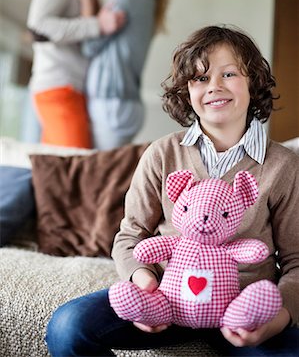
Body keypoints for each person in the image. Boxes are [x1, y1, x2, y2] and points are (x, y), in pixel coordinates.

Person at [45, 25, 299, 356]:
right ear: (187, 91)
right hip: (168, 297)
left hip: (243, 312)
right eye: (201, 78)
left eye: (229, 74)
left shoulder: (283, 164)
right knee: (67, 327)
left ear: (253, 82)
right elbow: (130, 237)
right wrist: (144, 284)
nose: (215, 87)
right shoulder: (162, 154)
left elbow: (296, 260)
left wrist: (279, 318)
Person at [27, 0, 130, 148]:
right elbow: (37, 28)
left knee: (59, 171)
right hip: (58, 87)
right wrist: (98, 25)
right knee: (77, 166)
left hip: (74, 89)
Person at [71, 0, 170, 150]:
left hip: (110, 101)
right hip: (128, 103)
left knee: (100, 177)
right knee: (111, 177)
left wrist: (87, 1)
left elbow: (89, 46)